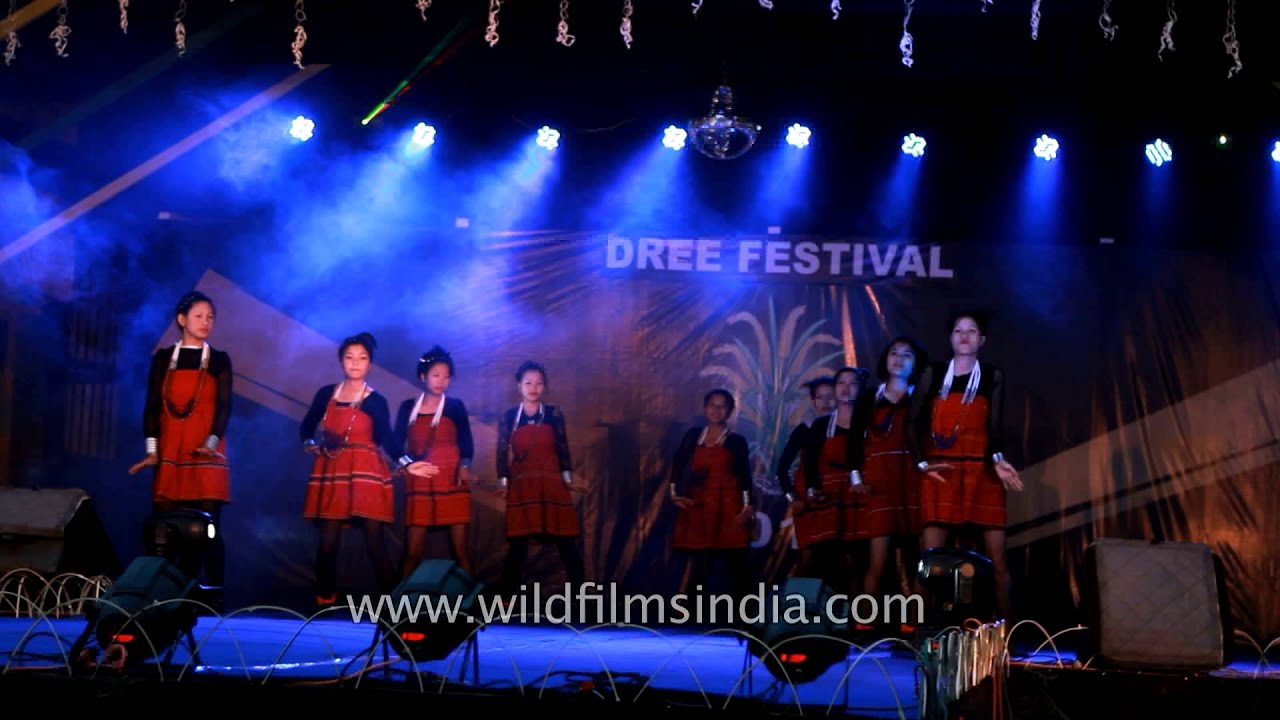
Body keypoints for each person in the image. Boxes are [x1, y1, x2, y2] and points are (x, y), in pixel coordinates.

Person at [906, 311, 1024, 621]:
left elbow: (994, 426)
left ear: (981, 340)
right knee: (929, 561)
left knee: (998, 561)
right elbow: (911, 421)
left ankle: (1004, 635)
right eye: (958, 330)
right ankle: (920, 633)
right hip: (940, 472)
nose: (964, 335)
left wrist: (998, 461)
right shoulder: (934, 372)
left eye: (972, 331)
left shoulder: (992, 374)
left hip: (980, 471)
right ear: (951, 338)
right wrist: (921, 463)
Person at [129, 290, 232, 602]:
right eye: (199, 316)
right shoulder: (163, 358)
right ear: (182, 319)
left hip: (206, 451)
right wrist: (152, 450)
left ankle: (212, 598)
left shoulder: (218, 359)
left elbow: (225, 407)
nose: (206, 322)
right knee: (165, 529)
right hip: (172, 451)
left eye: (210, 317)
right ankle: (163, 597)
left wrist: (212, 443)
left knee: (207, 529)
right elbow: (151, 407)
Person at [300, 332, 400, 608]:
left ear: (370, 364)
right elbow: (306, 427)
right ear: (341, 361)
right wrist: (310, 443)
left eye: (362, 358)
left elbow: (388, 439)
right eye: (349, 357)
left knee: (374, 541)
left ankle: (395, 607)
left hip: (365, 470)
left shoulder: (375, 400)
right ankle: (325, 601)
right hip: (333, 468)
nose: (355, 363)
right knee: (328, 540)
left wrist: (407, 462)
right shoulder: (326, 393)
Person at [850, 336, 928, 631]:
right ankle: (864, 620)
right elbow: (855, 440)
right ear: (885, 359)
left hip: (912, 480)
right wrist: (856, 478)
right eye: (894, 353)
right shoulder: (871, 397)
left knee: (915, 556)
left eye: (907, 354)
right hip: (879, 482)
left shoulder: (921, 396)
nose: (899, 359)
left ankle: (915, 621)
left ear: (915, 363)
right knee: (877, 557)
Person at [495, 361, 590, 597]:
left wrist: (567, 477)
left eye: (539, 383)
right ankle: (505, 600)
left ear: (544, 386)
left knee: (566, 541)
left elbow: (562, 446)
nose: (533, 388)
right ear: (519, 386)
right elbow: (500, 452)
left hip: (551, 482)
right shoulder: (509, 417)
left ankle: (584, 599)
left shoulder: (553, 413)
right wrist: (504, 483)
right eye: (528, 383)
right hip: (522, 484)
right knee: (518, 543)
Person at [668, 389, 754, 619]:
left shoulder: (736, 441)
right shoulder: (694, 436)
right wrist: (675, 494)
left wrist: (747, 506)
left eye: (722, 406)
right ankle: (689, 610)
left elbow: (745, 475)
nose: (717, 410)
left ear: (729, 411)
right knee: (701, 558)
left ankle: (750, 612)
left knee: (736, 560)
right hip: (700, 505)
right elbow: (678, 466)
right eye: (712, 405)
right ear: (705, 408)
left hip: (728, 505)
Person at [393, 346, 476, 578]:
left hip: (452, 481)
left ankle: (469, 609)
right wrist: (407, 464)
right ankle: (401, 610)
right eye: (436, 375)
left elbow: (466, 442)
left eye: (447, 376)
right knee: (412, 551)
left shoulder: (455, 406)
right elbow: (396, 443)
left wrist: (465, 465)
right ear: (423, 376)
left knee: (461, 551)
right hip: (420, 482)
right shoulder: (408, 407)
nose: (442, 381)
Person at [802, 366, 870, 598]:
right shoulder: (822, 426)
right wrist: (812, 489)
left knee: (858, 560)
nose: (846, 387)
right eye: (841, 382)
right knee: (826, 559)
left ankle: (859, 617)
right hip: (829, 501)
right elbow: (809, 462)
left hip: (859, 501)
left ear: (860, 389)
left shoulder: (868, 423)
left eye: (852, 383)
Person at [773, 377, 837, 576]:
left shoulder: (847, 426)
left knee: (843, 558)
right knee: (808, 559)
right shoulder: (805, 429)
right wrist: (793, 499)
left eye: (830, 397)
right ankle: (801, 606)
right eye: (820, 397)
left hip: (837, 493)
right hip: (808, 498)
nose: (825, 403)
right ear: (813, 400)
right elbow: (782, 468)